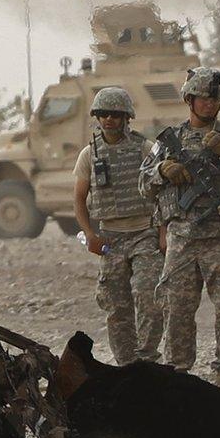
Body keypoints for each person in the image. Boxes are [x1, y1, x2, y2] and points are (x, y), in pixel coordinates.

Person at [140, 67, 220, 388]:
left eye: (215, 98)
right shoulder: (169, 140)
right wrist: (163, 170)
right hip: (182, 238)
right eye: (203, 98)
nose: (209, 104)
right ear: (189, 99)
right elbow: (143, 183)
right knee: (176, 308)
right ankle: (178, 375)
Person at [74, 86, 164, 364]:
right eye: (103, 114)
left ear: (127, 117)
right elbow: (79, 199)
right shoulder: (89, 155)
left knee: (149, 297)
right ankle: (127, 364)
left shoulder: (145, 150)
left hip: (144, 234)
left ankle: (147, 357)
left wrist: (162, 233)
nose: (109, 120)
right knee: (116, 305)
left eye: (115, 114)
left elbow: (163, 195)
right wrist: (90, 235)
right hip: (111, 238)